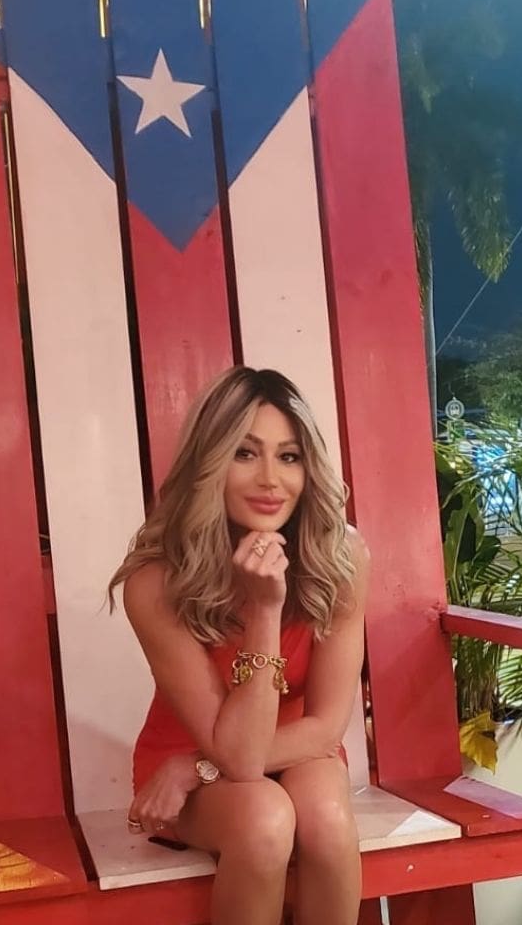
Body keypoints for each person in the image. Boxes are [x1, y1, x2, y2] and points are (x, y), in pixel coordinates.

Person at [109, 366, 369, 925]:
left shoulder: (340, 557)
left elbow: (326, 724)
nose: (271, 480)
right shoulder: (155, 582)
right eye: (246, 454)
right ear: (210, 462)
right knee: (265, 821)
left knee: (324, 816)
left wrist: (193, 767)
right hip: (197, 759)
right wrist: (265, 609)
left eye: (290, 456)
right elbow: (241, 759)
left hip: (297, 744)